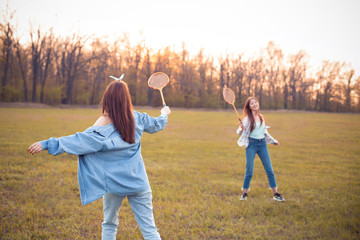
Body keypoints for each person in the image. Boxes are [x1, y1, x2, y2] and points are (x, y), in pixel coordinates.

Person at [28, 78, 171, 240]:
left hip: (112, 183)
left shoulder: (102, 123)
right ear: (127, 98)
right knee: (150, 230)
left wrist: (47, 144)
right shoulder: (138, 118)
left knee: (109, 224)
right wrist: (163, 114)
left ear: (107, 99)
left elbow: (79, 140)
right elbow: (157, 125)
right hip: (138, 183)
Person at [236, 97, 284, 202]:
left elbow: (264, 133)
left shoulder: (261, 117)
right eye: (252, 103)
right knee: (249, 171)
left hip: (262, 144)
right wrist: (241, 128)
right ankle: (244, 194)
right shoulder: (247, 119)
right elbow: (239, 132)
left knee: (269, 169)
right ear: (249, 106)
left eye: (255, 102)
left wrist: (273, 141)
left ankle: (276, 194)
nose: (254, 104)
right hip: (251, 145)